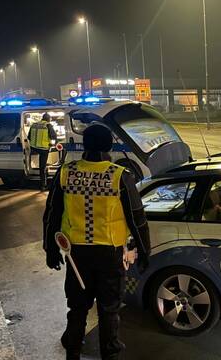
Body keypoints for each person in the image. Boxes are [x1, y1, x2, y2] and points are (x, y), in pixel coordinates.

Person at [42, 124, 150, 360]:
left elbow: (52, 213)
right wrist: (144, 251)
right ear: (109, 145)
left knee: (77, 308)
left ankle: (73, 352)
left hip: (76, 255)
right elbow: (137, 218)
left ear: (85, 144)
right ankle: (109, 355)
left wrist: (50, 248)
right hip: (109, 255)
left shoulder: (66, 172)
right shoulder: (119, 175)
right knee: (109, 309)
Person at [28, 113, 57, 191]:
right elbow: (53, 136)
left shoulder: (34, 124)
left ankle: (36, 176)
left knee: (37, 165)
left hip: (34, 148)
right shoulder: (48, 125)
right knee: (42, 167)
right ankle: (43, 185)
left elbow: (29, 137)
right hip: (44, 149)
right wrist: (52, 144)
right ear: (48, 119)